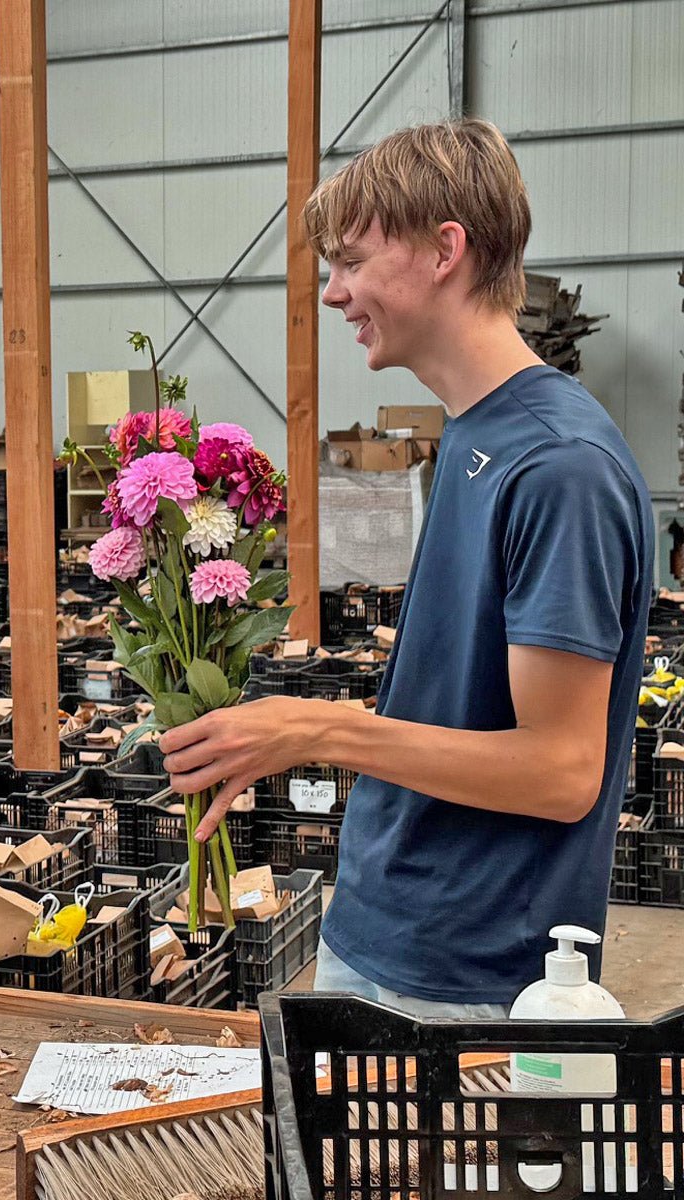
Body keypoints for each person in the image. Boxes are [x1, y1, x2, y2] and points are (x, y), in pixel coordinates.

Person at [159, 119, 653, 1017]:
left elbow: (561, 770)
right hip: (385, 926)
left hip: (469, 977)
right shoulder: (474, 432)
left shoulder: (559, 467)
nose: (335, 293)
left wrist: (321, 730)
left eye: (351, 261)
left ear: (444, 252)